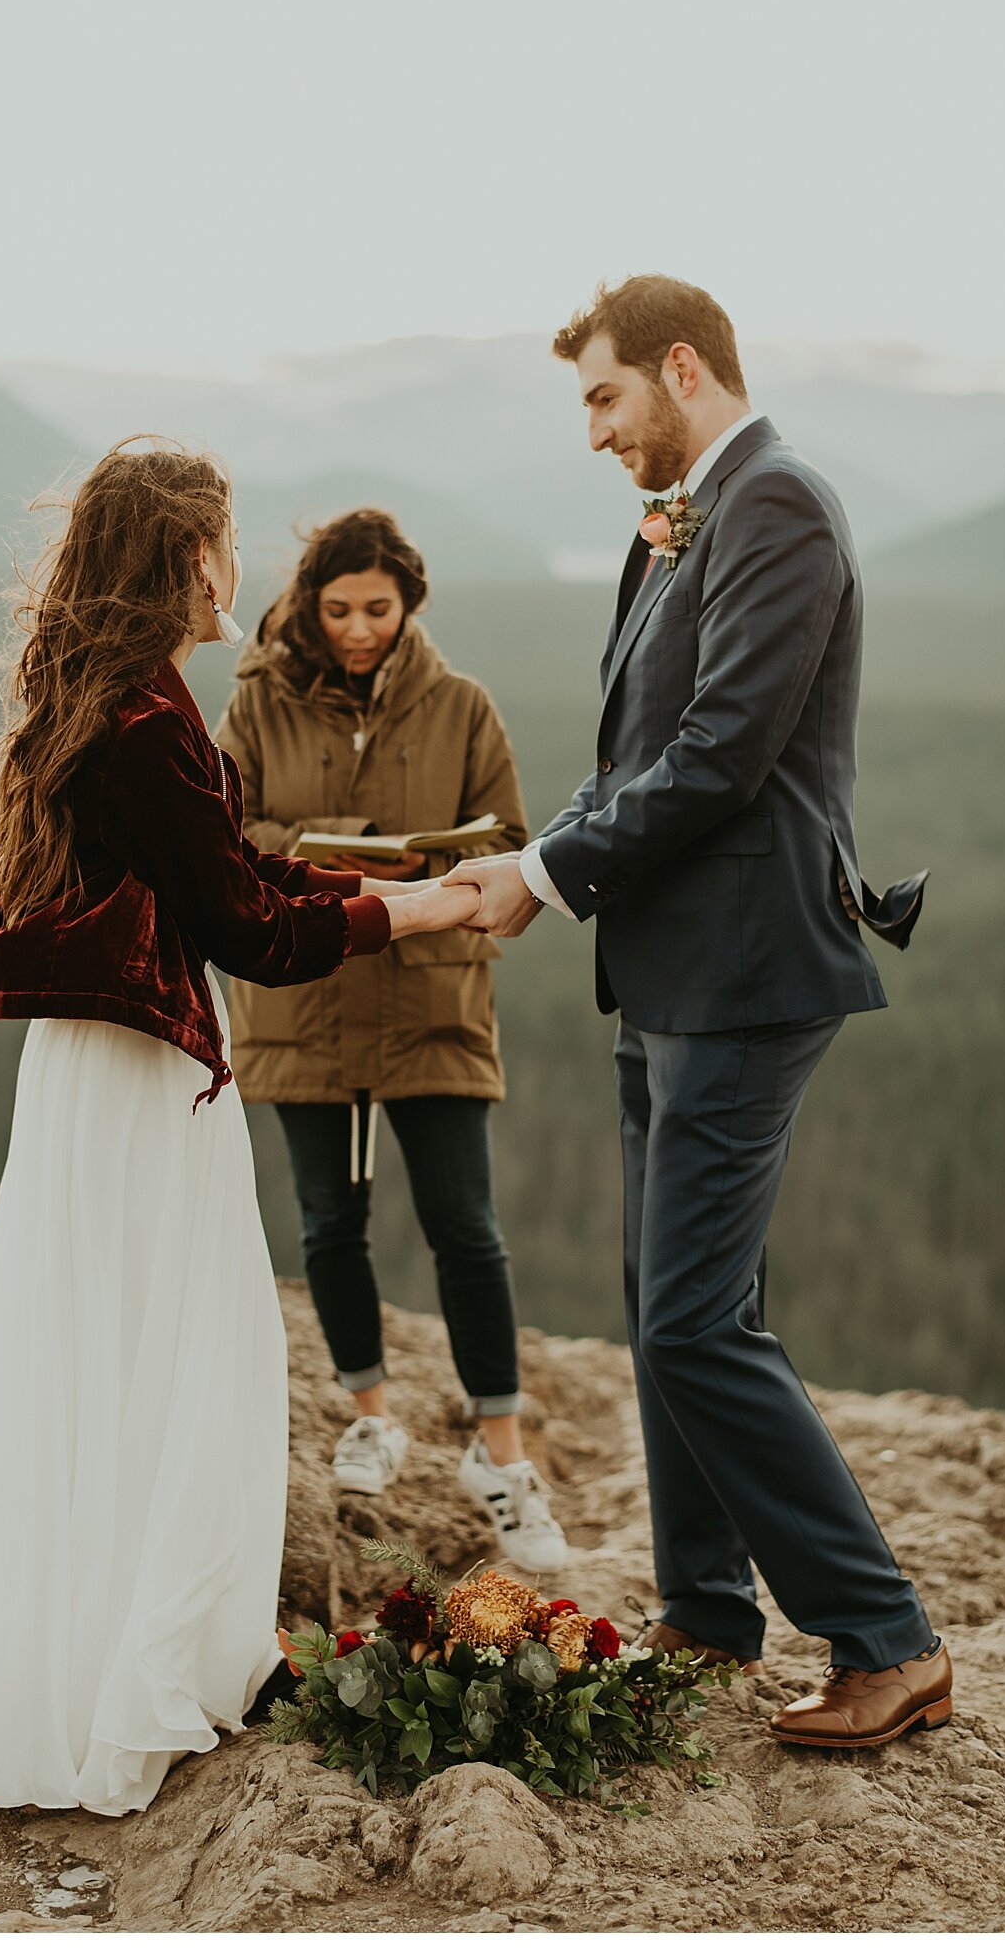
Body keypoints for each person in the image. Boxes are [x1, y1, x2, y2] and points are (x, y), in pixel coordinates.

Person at [0, 441, 478, 1816]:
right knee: (182, 1345)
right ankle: (150, 1673)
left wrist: (396, 893)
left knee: (97, 1343)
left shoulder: (107, 701)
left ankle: (91, 1655)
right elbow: (243, 925)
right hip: (145, 1075)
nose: (239, 565)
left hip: (100, 1068)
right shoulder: (145, 720)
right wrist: (414, 910)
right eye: (225, 539)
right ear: (183, 559)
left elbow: (224, 871)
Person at [445, 276, 952, 1751]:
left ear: (682, 368)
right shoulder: (679, 525)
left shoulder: (780, 503)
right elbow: (639, 750)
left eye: (606, 398)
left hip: (745, 974)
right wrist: (529, 857)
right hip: (662, 975)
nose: (596, 434)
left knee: (690, 1323)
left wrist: (544, 875)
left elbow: (726, 753)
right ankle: (707, 1609)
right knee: (668, 1309)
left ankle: (888, 1639)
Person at [214, 507, 568, 1574]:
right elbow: (217, 840)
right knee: (330, 1220)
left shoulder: (463, 707)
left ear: (410, 601)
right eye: (338, 609)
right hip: (304, 997)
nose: (359, 628)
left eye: (378, 606)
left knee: (468, 1225)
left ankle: (502, 1456)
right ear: (309, 608)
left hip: (431, 998)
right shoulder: (255, 704)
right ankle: (371, 1410)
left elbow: (510, 839)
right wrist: (341, 855)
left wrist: (432, 865)